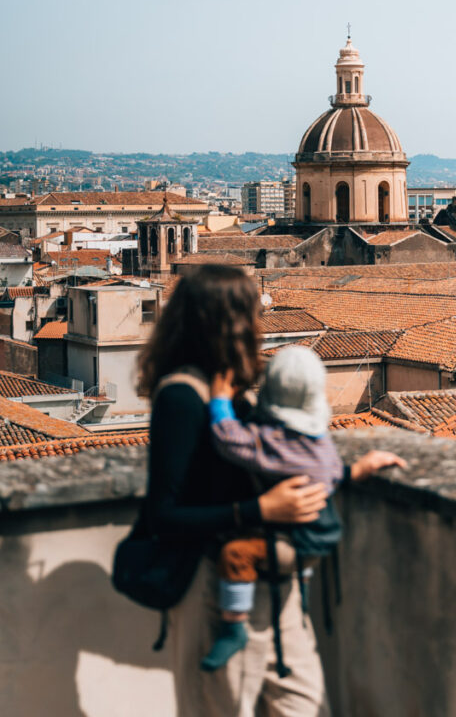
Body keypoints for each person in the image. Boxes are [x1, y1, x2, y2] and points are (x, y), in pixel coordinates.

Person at [139, 264, 406, 717]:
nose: (259, 325)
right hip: (216, 593)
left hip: (279, 593)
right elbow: (163, 516)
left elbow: (279, 460)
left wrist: (347, 472)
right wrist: (258, 509)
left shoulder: (236, 394)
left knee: (304, 707)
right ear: (223, 322)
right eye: (250, 313)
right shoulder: (181, 399)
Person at [202, 344, 344, 673]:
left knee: (235, 554)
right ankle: (304, 592)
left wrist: (220, 400)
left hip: (291, 546)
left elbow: (228, 438)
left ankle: (234, 626)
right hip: (318, 541)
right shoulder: (323, 445)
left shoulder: (275, 445)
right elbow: (335, 474)